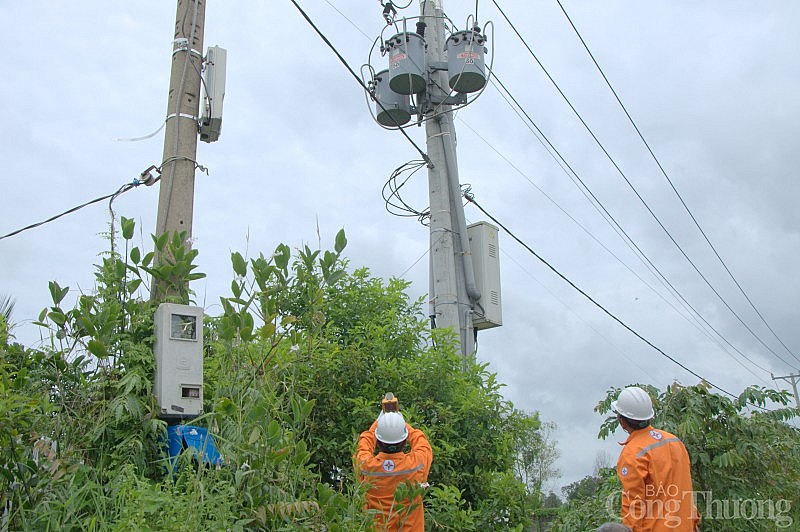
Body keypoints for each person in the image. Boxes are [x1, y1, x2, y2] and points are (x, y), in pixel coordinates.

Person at [612, 386, 699, 532]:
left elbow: (634, 506)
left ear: (622, 421)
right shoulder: (674, 441)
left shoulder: (633, 453)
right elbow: (686, 488)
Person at [355, 411, 433, 531]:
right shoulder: (417, 464)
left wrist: (378, 423)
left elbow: (363, 447)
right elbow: (422, 444)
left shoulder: (366, 466)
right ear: (404, 440)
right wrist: (400, 421)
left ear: (378, 441)